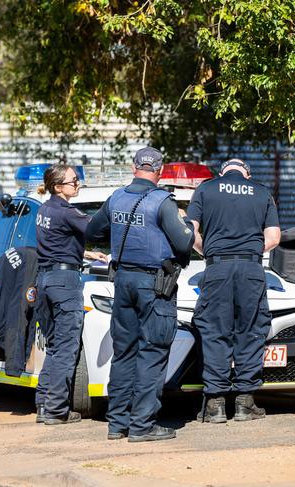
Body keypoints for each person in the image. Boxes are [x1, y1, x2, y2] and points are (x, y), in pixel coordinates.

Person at [86, 147, 194, 442]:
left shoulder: (116, 198)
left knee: (124, 352)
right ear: (160, 170)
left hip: (122, 282)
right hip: (154, 287)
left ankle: (117, 424)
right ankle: (142, 425)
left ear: (134, 167)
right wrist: (186, 224)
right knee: (153, 351)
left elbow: (92, 231)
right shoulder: (162, 201)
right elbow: (185, 243)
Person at [187, 158, 280, 423]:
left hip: (217, 268)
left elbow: (189, 232)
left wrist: (211, 252)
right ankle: (244, 403)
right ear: (247, 175)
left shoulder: (206, 189)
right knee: (250, 331)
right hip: (251, 269)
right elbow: (273, 237)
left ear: (222, 173)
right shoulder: (262, 192)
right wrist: (248, 251)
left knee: (216, 331)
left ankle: (215, 405)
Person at [34, 165, 107, 425]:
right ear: (58, 187)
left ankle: (44, 404)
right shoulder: (67, 211)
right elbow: (97, 228)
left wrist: (86, 253)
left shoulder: (45, 208)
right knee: (66, 348)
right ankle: (56, 410)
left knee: (54, 347)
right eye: (73, 181)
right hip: (64, 283)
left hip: (45, 279)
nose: (78, 184)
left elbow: (56, 242)